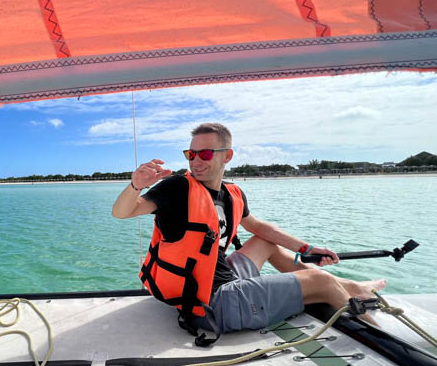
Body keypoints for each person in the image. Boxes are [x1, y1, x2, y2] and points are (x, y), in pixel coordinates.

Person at [112, 123, 385, 340]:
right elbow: (124, 212)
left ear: (227, 156)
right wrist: (136, 185)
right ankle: (383, 340)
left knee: (265, 243)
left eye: (205, 154)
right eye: (191, 154)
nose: (195, 161)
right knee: (322, 281)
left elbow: (258, 227)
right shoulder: (177, 188)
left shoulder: (231, 193)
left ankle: (352, 288)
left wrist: (307, 249)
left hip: (223, 280)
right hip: (212, 304)